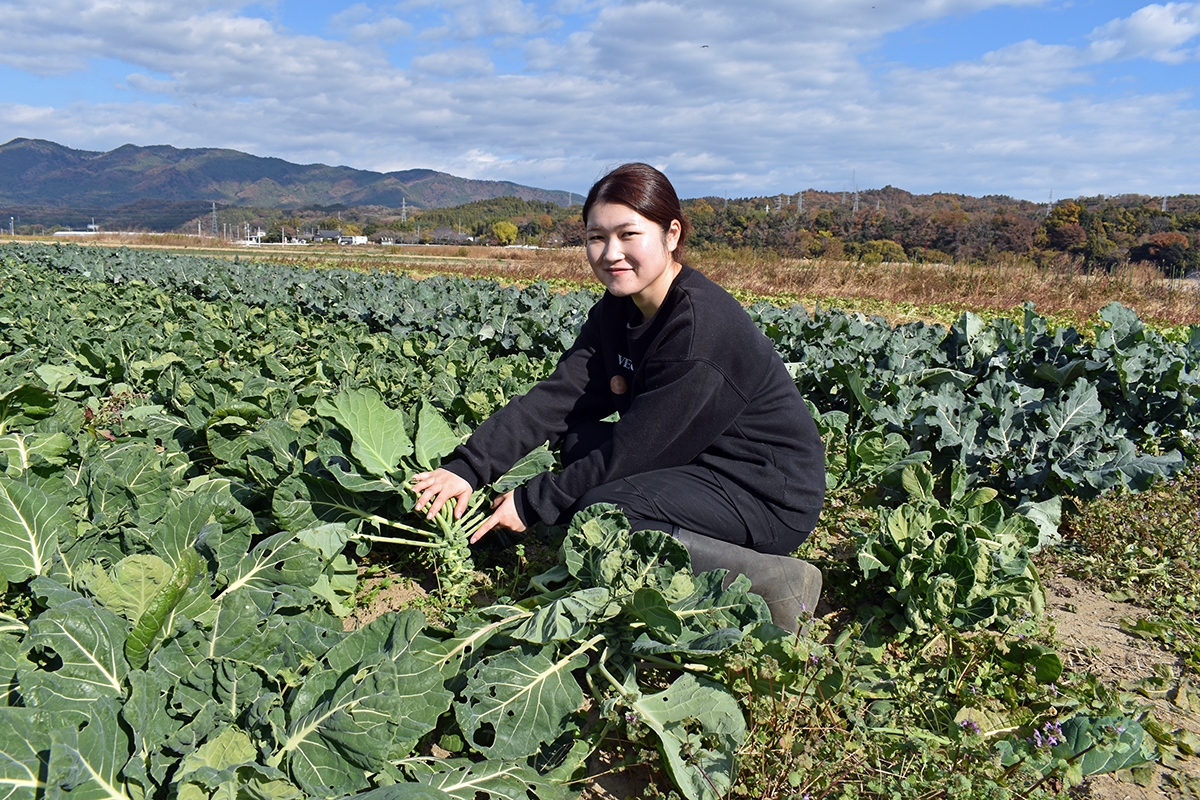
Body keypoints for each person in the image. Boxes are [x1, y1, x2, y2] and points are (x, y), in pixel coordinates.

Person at [412, 163, 825, 630]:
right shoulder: (618, 309)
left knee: (605, 512)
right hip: (700, 460)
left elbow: (637, 449)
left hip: (765, 491)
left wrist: (533, 502)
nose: (611, 253)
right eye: (596, 237)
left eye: (628, 234)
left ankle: (775, 583)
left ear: (671, 234)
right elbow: (560, 397)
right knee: (578, 442)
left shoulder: (700, 328)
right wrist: (468, 468)